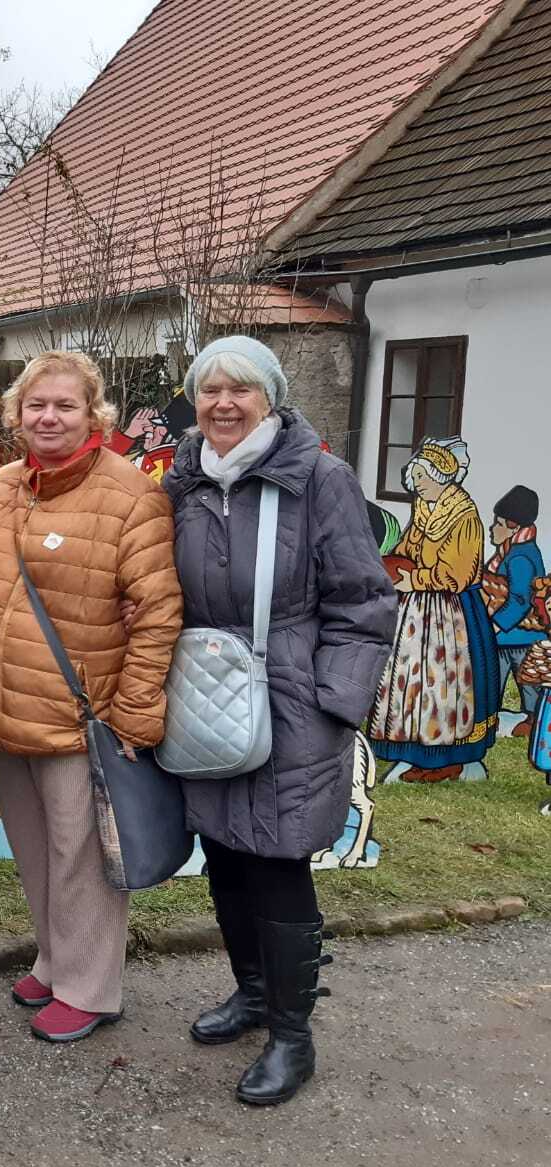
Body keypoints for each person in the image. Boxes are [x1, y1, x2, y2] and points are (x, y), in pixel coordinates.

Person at [163, 335, 396, 1106]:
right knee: (224, 855)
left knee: (277, 861)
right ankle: (253, 994)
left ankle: (292, 1037)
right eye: (208, 390)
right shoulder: (186, 479)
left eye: (241, 389)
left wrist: (334, 702)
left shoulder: (318, 479)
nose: (223, 403)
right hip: (206, 697)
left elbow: (363, 603)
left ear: (271, 397)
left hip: (293, 701)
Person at [0, 350, 182, 1043]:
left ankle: (91, 987)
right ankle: (55, 960)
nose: (48, 417)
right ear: (15, 414)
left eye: (64, 405)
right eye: (35, 405)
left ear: (94, 414)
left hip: (80, 714)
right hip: (5, 706)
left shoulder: (131, 494)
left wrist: (137, 707)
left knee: (82, 856)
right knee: (32, 849)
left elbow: (156, 609)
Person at [367, 438, 499, 782]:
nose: (417, 485)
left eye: (422, 478)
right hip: (417, 608)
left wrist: (418, 580)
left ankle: (446, 760)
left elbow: (458, 572)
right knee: (411, 679)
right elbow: (407, 544)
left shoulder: (464, 515)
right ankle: (414, 752)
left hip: (450, 613)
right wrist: (390, 563)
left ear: (441, 477)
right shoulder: (425, 507)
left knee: (444, 683)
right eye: (415, 479)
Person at [482, 486, 545, 734]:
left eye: (497, 523)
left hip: (519, 636)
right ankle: (491, 717)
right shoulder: (509, 553)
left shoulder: (520, 557)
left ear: (513, 526)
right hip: (509, 636)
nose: (492, 528)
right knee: (495, 679)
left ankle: (533, 721)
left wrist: (494, 624)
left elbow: (520, 600)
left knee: (528, 680)